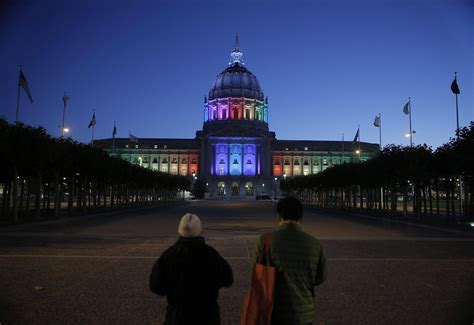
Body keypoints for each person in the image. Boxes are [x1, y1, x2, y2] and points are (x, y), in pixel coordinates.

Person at [251, 197, 327, 325]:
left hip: (273, 311)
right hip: (303, 313)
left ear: (279, 216)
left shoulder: (265, 241)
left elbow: (256, 272)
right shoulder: (316, 244)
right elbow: (320, 278)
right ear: (300, 218)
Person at [149, 213, 233, 325]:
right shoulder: (211, 255)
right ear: (199, 231)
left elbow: (155, 285)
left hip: (177, 317)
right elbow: (228, 279)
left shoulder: (169, 256)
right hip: (207, 316)